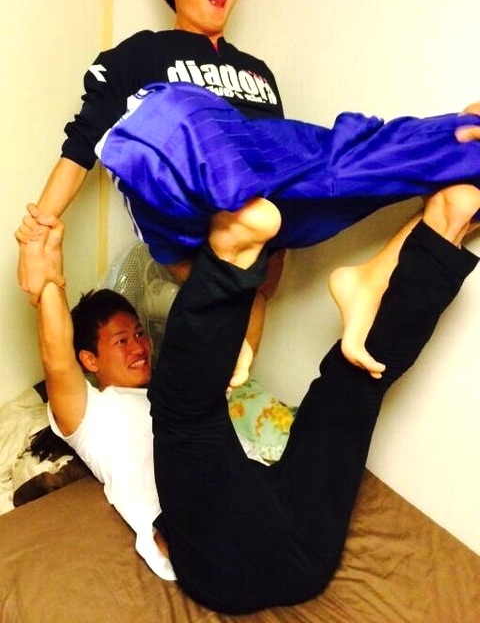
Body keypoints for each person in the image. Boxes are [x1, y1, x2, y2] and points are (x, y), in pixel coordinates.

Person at [16, 0, 480, 375]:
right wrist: (37, 237)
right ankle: (225, 182)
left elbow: (283, 176)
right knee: (179, 110)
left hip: (254, 196)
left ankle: (379, 259)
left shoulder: (258, 74)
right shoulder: (142, 53)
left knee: (375, 149)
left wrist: (258, 307)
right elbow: (82, 144)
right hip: (183, 196)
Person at [23, 184, 479, 613]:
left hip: (301, 548)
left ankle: (443, 229)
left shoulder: (186, 384)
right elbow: (56, 356)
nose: (140, 346)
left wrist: (265, 273)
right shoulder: (87, 414)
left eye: (140, 333)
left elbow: (247, 332)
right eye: (121, 341)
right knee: (181, 410)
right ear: (89, 359)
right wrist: (47, 279)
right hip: (221, 563)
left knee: (352, 384)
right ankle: (229, 251)